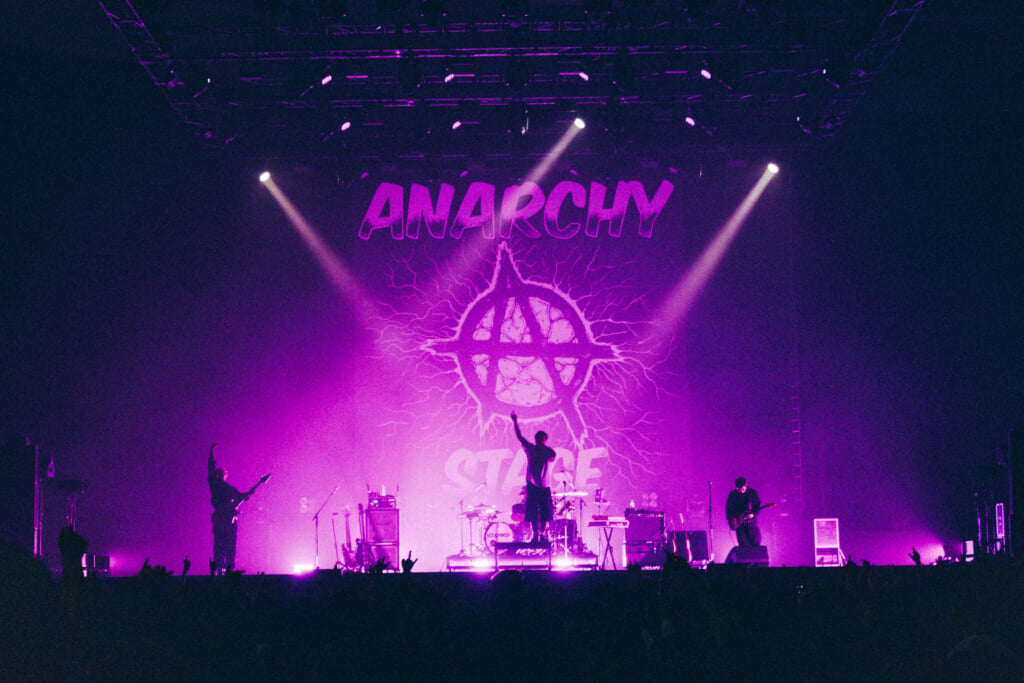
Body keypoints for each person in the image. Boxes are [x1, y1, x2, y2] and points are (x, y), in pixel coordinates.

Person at [207, 443, 269, 574]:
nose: (221, 476)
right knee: (223, 543)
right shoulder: (217, 485)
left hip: (227, 518)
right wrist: (212, 451)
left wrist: (247, 494)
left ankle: (225, 568)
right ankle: (222, 568)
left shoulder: (225, 487)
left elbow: (241, 496)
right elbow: (211, 467)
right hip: (223, 518)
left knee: (226, 543)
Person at [511, 412, 556, 545]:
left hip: (545, 486)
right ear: (536, 439)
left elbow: (553, 456)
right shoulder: (530, 449)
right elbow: (520, 437)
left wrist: (543, 446)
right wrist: (515, 421)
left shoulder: (548, 452)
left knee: (545, 512)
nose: (539, 440)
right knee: (532, 512)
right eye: (538, 439)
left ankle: (542, 534)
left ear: (545, 440)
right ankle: (535, 535)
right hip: (532, 485)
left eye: (542, 439)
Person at [725, 477, 762, 547]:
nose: (741, 490)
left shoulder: (752, 493)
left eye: (742, 488)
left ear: (746, 485)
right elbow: (728, 509)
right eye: (738, 489)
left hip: (751, 523)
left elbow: (757, 506)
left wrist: (753, 514)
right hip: (740, 525)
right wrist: (732, 519)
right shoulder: (733, 495)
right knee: (743, 545)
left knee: (755, 543)